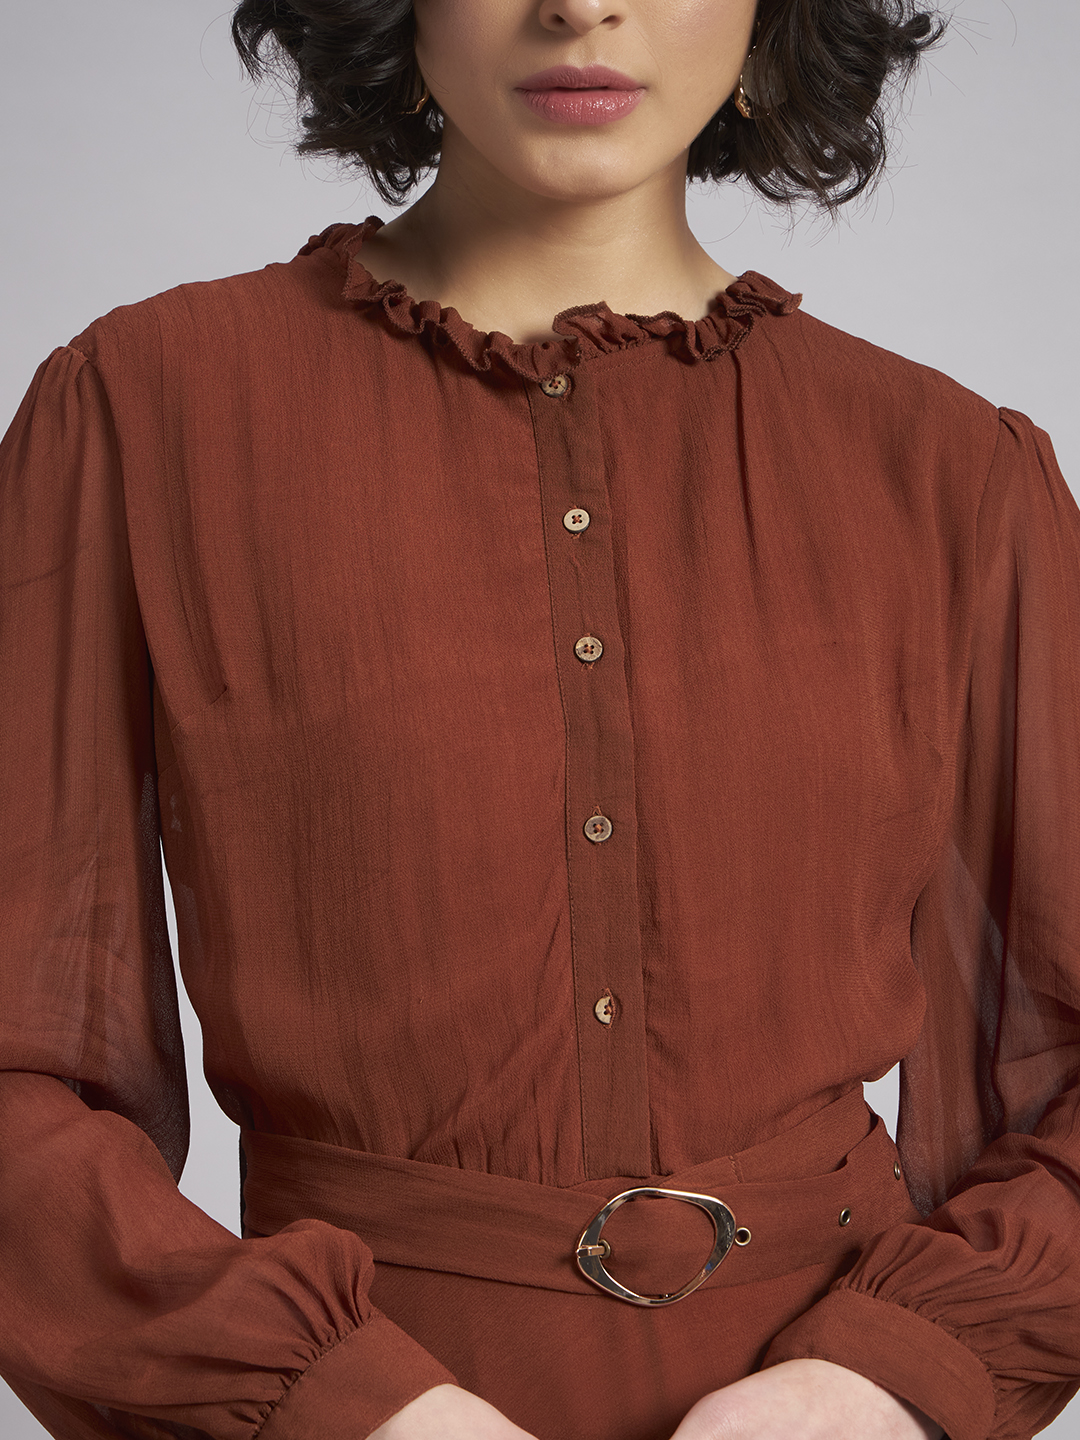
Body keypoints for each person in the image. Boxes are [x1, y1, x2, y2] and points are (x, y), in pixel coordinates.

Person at [1, 1, 1078, 1438]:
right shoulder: (146, 410)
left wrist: (880, 1380)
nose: (581, 4)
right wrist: (343, 1401)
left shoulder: (954, 473)